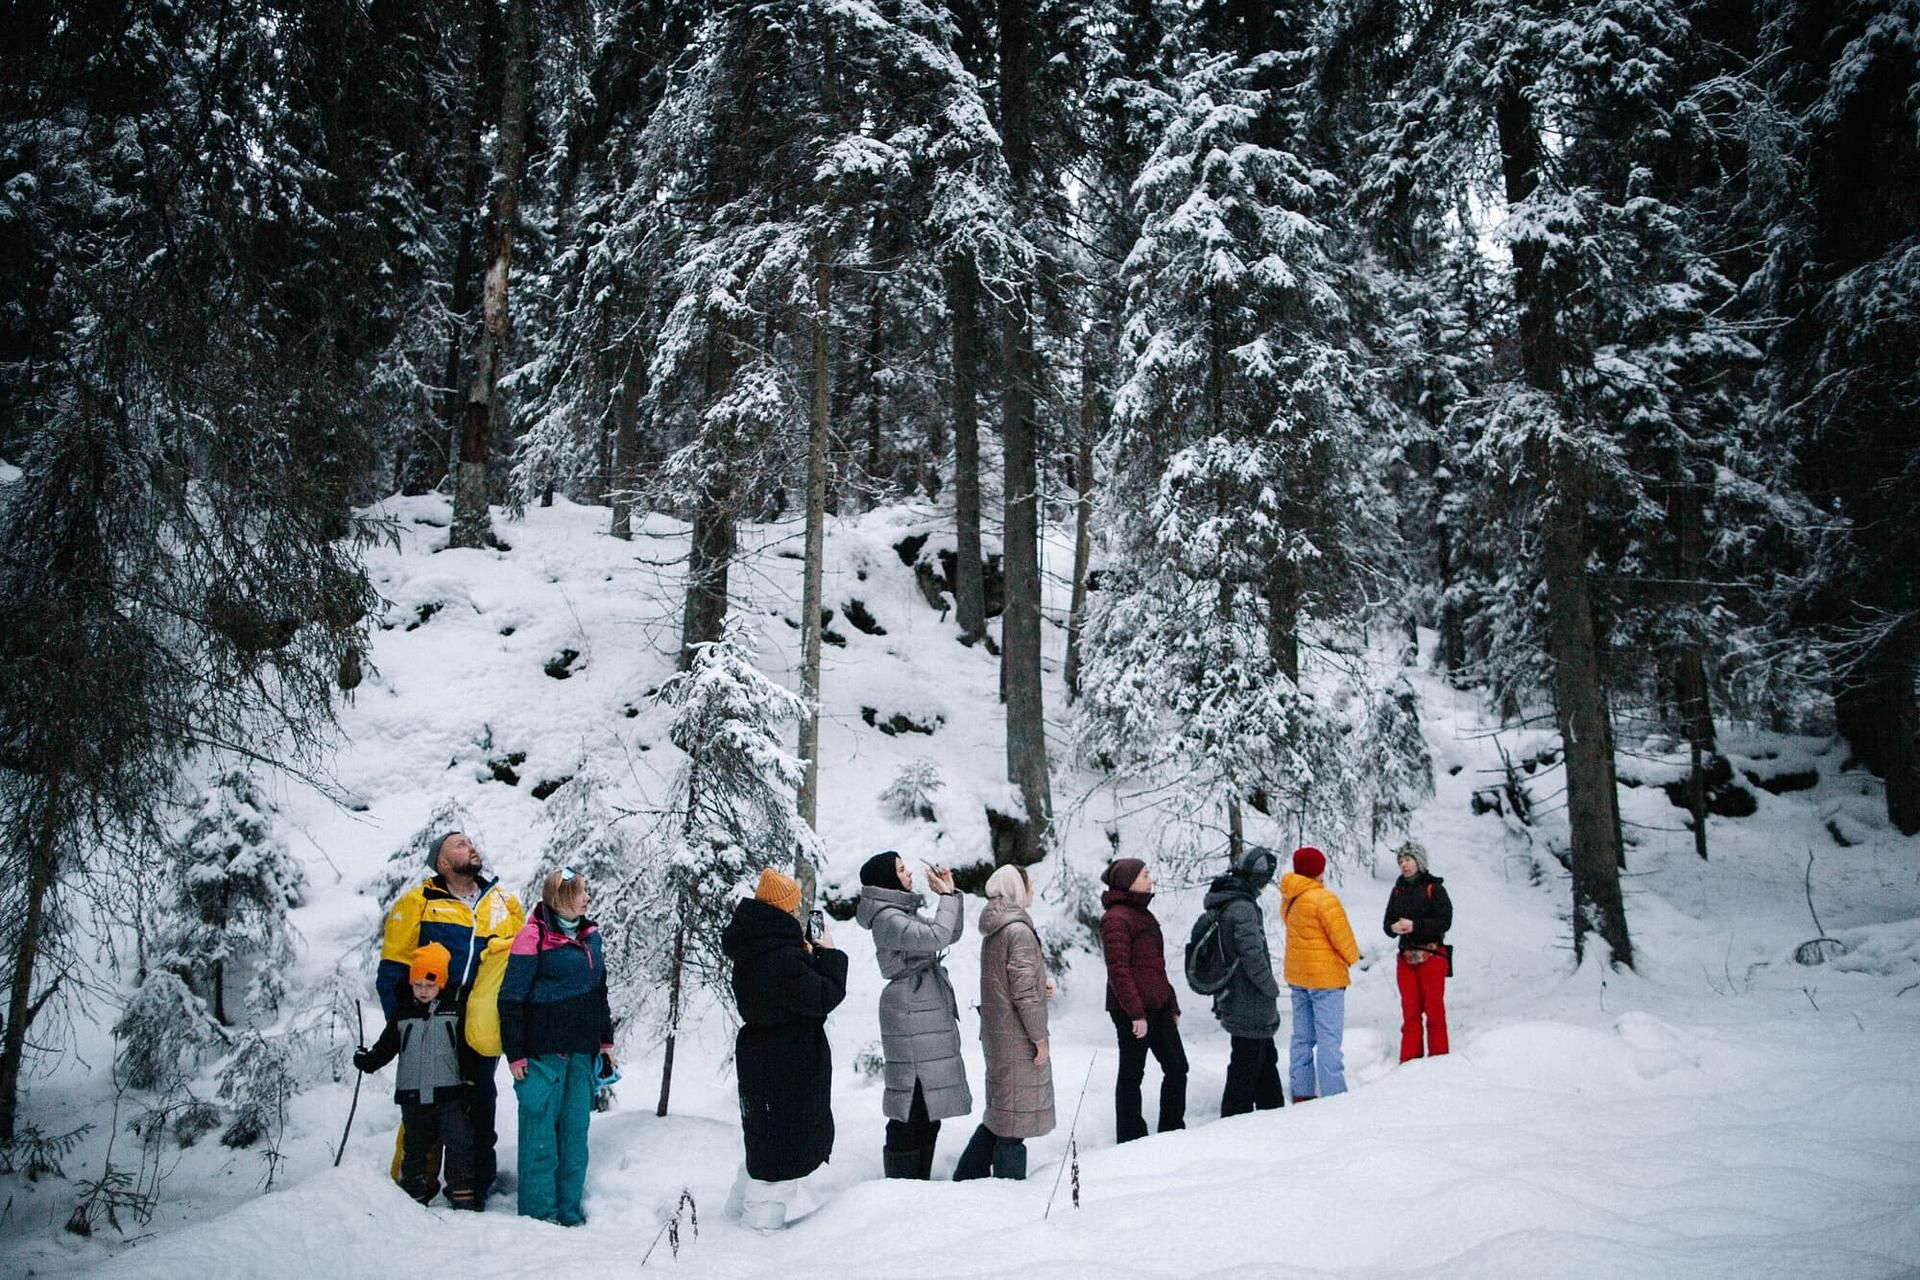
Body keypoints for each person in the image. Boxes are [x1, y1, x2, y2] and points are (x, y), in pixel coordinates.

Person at [378, 831, 525, 1200]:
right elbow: (392, 972)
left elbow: (524, 966)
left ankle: (472, 1187)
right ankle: (413, 1187)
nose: (471, 846)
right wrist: (404, 1027)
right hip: (431, 1019)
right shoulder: (418, 903)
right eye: (459, 845)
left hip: (481, 1021)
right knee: (424, 1103)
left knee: (479, 1100)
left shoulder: (505, 903)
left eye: (472, 842)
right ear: (442, 863)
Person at [722, 868, 848, 1232]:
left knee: (765, 1141)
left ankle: (734, 1221)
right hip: (786, 1061)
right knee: (782, 1148)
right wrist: (830, 955)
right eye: (793, 908)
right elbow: (823, 996)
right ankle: (759, 1231)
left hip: (764, 1056)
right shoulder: (781, 958)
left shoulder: (757, 947)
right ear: (781, 910)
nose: (797, 914)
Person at [499, 867, 615, 1226]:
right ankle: (539, 1219)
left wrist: (605, 1041)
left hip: (581, 1053)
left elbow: (599, 993)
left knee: (574, 1136)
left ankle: (569, 1213)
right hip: (541, 1056)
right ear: (561, 897)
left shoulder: (590, 937)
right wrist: (515, 1051)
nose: (587, 898)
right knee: (540, 1140)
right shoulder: (532, 937)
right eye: (581, 892)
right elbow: (511, 998)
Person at [854, 850, 971, 1179]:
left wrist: (951, 895)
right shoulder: (888, 918)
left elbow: (949, 934)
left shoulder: (901, 912)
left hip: (922, 1005)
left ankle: (919, 1184)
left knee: (928, 1106)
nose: (909, 874)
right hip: (909, 1008)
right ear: (887, 880)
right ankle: (903, 1186)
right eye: (902, 870)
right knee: (911, 1104)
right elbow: (938, 936)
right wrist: (945, 898)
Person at [354, 943, 480, 1210]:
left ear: (441, 984)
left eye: (430, 986)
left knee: (459, 1143)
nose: (423, 991)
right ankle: (413, 1197)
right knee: (415, 1146)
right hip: (412, 1097)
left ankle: (462, 1193)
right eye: (419, 984)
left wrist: (470, 1082)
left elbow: (466, 1050)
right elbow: (386, 1047)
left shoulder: (454, 1011)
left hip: (450, 1093)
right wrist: (368, 1061)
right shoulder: (402, 1015)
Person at [954, 864, 1054, 1181]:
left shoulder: (999, 926)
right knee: (1014, 1125)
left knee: (1002, 1115)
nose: (1032, 890)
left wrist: (1041, 985)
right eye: (1028, 884)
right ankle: (1008, 1193)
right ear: (1016, 888)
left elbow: (1009, 983)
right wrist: (1040, 1038)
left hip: (1000, 1034)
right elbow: (1023, 993)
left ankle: (966, 1177)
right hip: (1016, 1037)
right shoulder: (1018, 930)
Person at [1099, 857, 1186, 1142]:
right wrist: (1136, 1013)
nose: (1151, 879)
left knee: (1177, 1067)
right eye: (1145, 875)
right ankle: (1130, 1136)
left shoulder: (1143, 914)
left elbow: (1155, 966)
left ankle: (1172, 1131)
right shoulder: (1115, 918)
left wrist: (1170, 1003)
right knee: (1132, 1074)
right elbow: (1118, 970)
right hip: (1131, 1009)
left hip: (1157, 1006)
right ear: (1128, 881)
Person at [1202, 844, 1286, 1117]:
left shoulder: (1230, 900)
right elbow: (1252, 955)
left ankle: (1272, 1112)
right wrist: (1270, 988)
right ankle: (1236, 1120)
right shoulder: (1242, 908)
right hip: (1248, 997)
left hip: (1239, 994)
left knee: (1262, 1057)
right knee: (1247, 1061)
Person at [1280, 846, 1360, 1102]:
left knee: (1302, 1037)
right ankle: (1334, 1094)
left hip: (1298, 976)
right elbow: (1342, 936)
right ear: (1319, 869)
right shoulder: (1324, 899)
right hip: (1326, 979)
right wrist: (1352, 958)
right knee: (1329, 1039)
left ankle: (1302, 1091)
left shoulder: (1290, 897)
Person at [1384, 840, 1453, 1062]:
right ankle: (1409, 1063)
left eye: (1409, 860)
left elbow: (1444, 921)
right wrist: (1393, 928)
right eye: (1401, 861)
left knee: (1434, 1012)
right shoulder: (1397, 891)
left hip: (1432, 956)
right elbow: (1387, 923)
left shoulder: (1435, 888)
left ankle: (1439, 1061)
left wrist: (1416, 926)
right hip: (1406, 957)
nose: (1404, 865)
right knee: (1410, 1015)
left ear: (1419, 862)